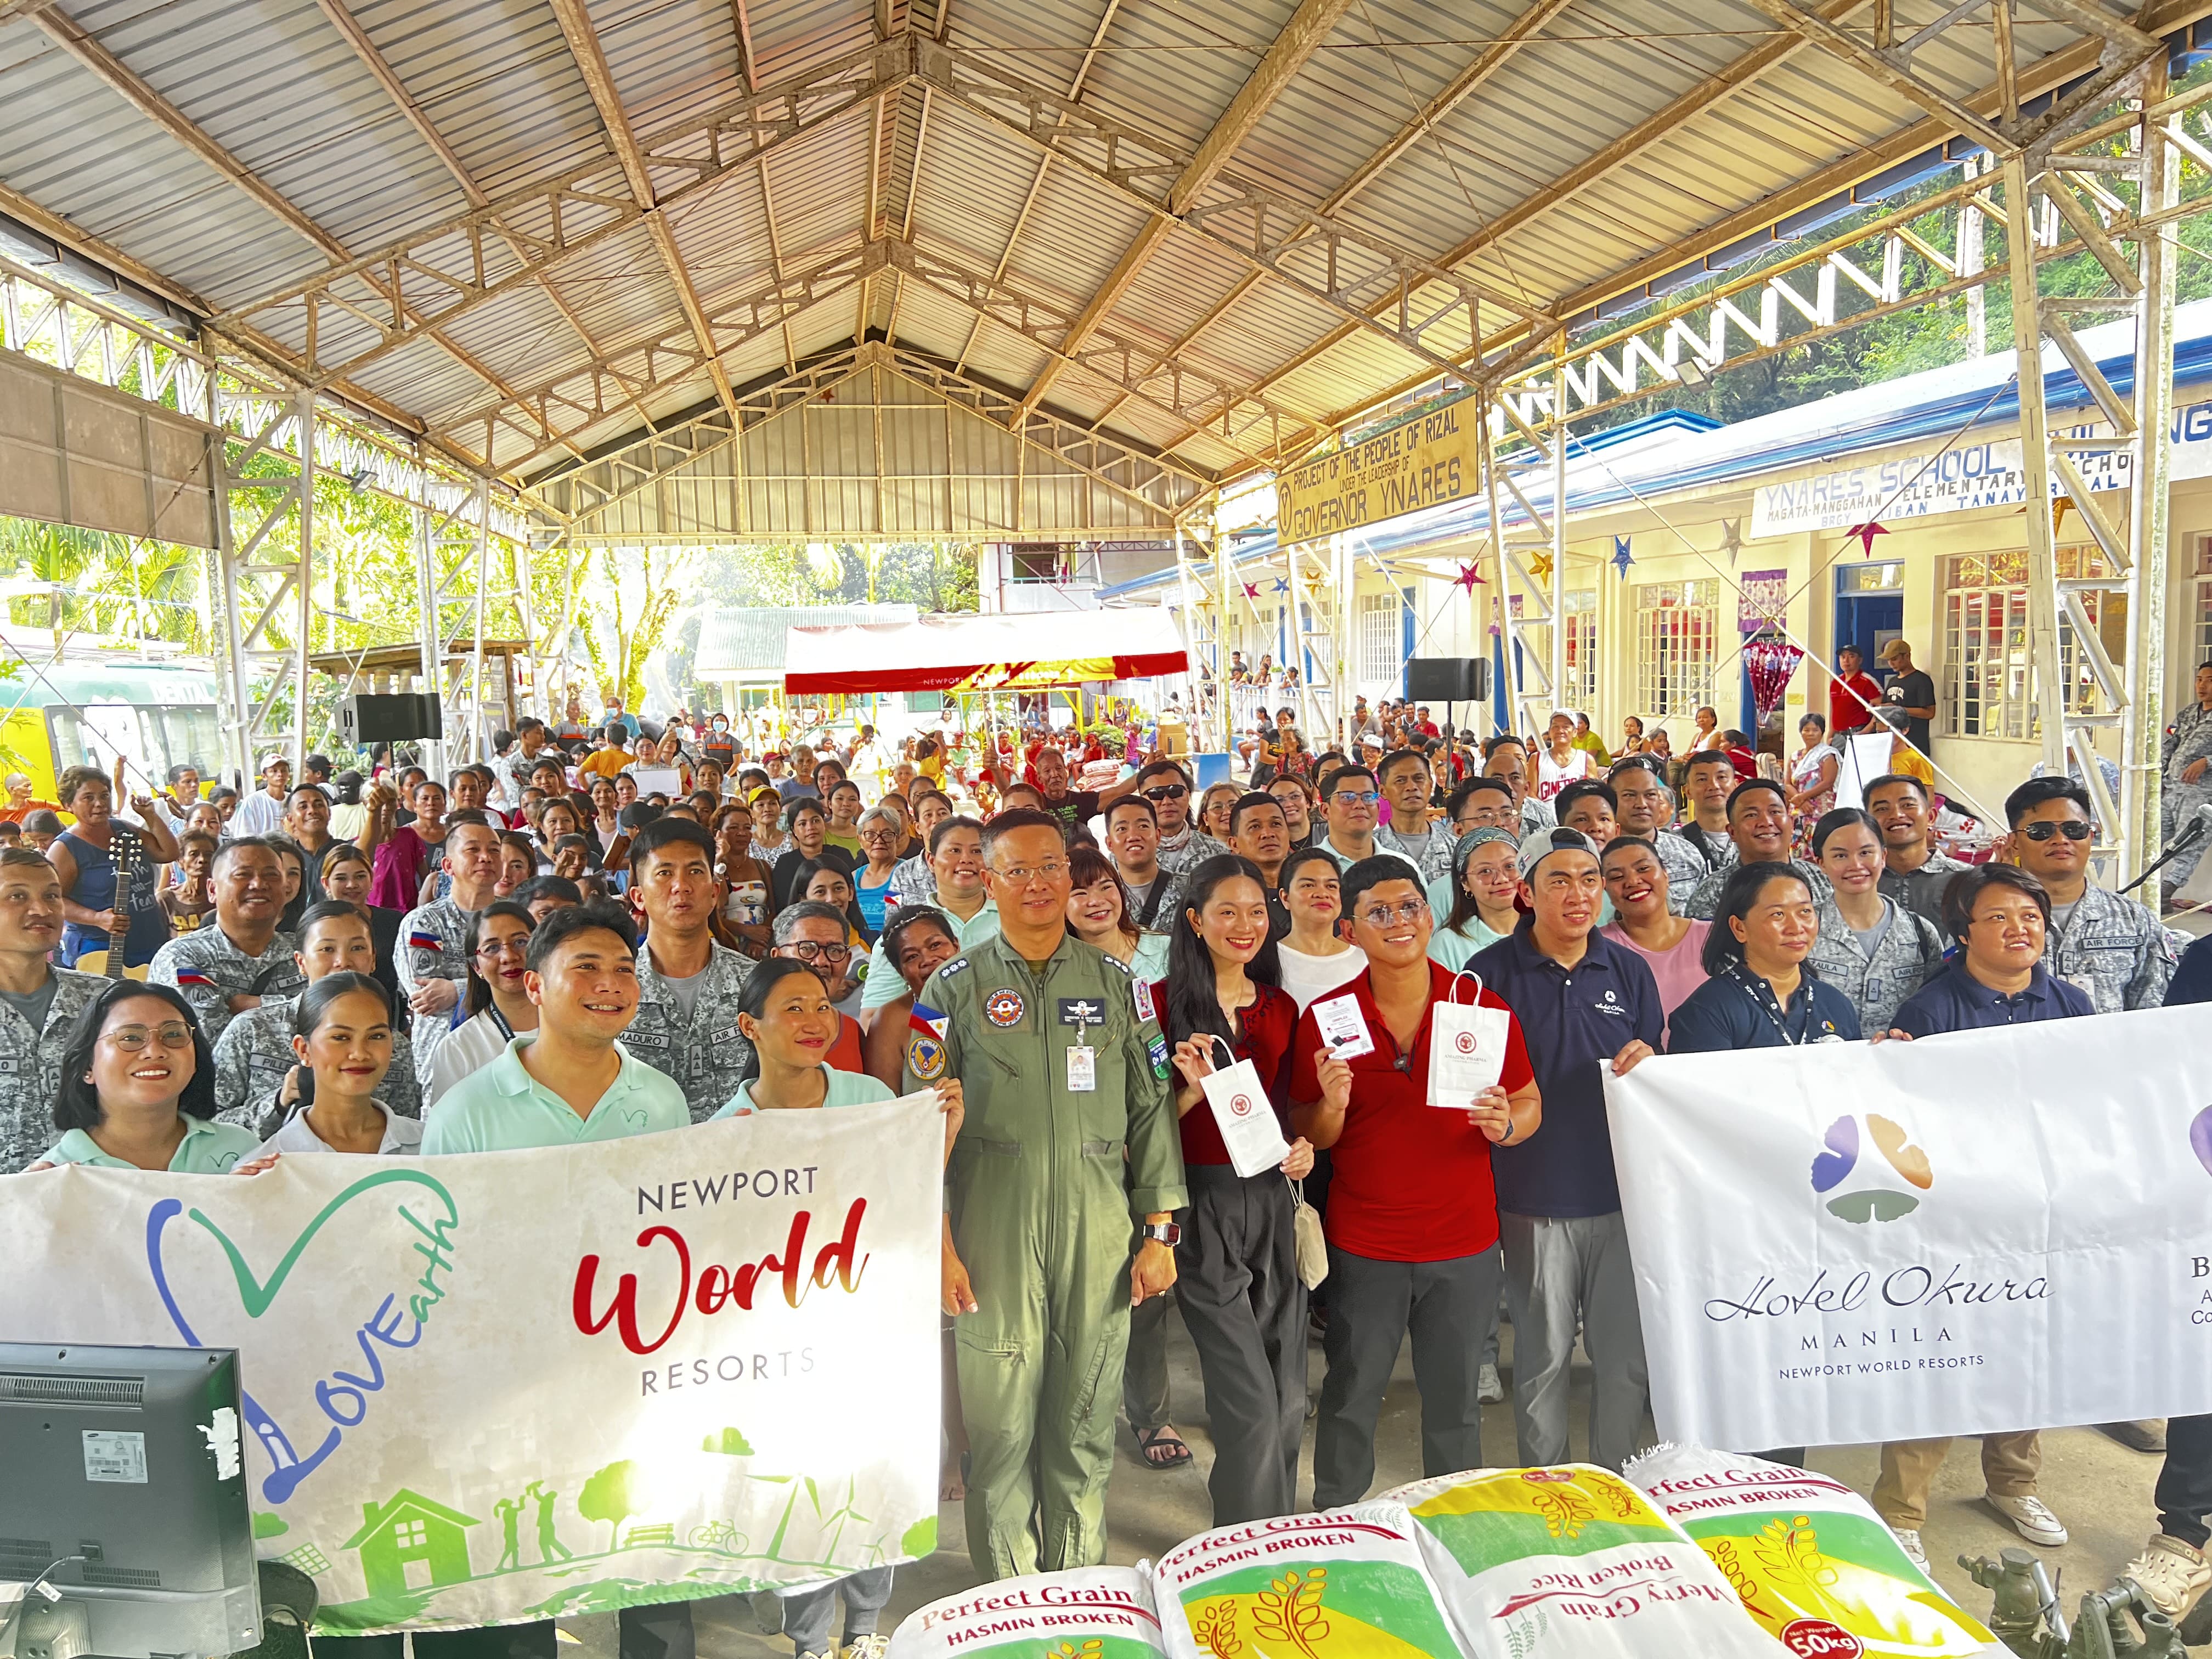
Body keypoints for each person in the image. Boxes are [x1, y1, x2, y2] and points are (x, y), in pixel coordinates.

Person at [905, 806, 1185, 1577]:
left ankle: (1078, 1587)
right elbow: (918, 1130)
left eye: (1051, 867)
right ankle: (1012, 1599)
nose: (1037, 883)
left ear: (1071, 873)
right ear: (987, 881)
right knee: (999, 1433)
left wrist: (1160, 1233)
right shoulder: (949, 991)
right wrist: (939, 1245)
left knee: (1085, 1425)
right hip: (991, 1228)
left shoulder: (1120, 986)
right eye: (1018, 870)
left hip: (1099, 1229)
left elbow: (1153, 1112)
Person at [1290, 856, 1539, 1504]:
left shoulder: (1477, 1006)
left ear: (1429, 917)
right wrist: (1332, 1105)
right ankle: (1338, 1518)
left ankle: (1453, 1521)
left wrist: (1506, 1125)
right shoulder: (1327, 1017)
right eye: (1379, 911)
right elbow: (1312, 1133)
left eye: (1410, 906)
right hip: (1365, 1246)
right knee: (1351, 1393)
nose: (1399, 921)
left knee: (1455, 1402)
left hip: (1463, 1245)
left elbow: (1528, 1101)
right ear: (1350, 930)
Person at [1874, 864, 2087, 1570]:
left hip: (2040, 1209)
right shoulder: (1931, 1011)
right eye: (1998, 917)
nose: (2018, 929)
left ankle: (2013, 1483)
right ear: (1964, 933)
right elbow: (1906, 1122)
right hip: (1956, 1217)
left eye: (2030, 917)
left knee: (2027, 1349)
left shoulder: (2072, 1005)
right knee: (1942, 1352)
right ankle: (1901, 1509)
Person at [1469, 826, 1661, 1472]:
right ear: (1526, 893)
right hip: (1533, 1196)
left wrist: (1652, 1061)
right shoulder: (1489, 974)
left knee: (1623, 1360)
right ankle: (1547, 1486)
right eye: (1559, 881)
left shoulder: (1628, 970)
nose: (1578, 894)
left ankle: (1619, 1483)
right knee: (1543, 1357)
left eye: (1589, 880)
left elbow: (1652, 1070)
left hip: (1620, 1196)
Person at [1162, 855, 1316, 1522]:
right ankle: (1246, 1544)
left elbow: (1290, 1110)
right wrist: (1190, 1093)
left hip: (1272, 1197)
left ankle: (1267, 1527)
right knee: (1249, 1399)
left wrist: (1303, 1148)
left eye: (1256, 911)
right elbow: (1137, 1131)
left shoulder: (1280, 1008)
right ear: (1196, 922)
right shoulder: (1159, 1005)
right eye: (1227, 912)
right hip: (1201, 1202)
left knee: (1287, 1395)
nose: (1245, 925)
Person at [210, 899, 420, 1127]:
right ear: (301, 962)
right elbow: (210, 1126)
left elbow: (404, 1130)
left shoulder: (394, 1047)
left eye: (357, 948)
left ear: (373, 960)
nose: (343, 962)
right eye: (327, 949)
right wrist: (278, 1104)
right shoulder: (252, 1030)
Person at [31, 982, 257, 1172]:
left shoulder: (241, 1150)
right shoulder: (54, 1175)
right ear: (87, 1067)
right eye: (130, 1037)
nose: (155, 1051)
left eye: (173, 1034)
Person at [620, 816, 759, 1120]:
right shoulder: (615, 991)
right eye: (664, 873)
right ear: (639, 897)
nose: (681, 886)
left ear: (715, 893)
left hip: (741, 1148)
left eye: (695, 871)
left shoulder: (755, 983)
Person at [2004, 776, 2174, 1013]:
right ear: (2014, 843)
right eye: (2041, 831)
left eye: (2074, 830)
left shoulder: (2133, 920)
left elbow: (2156, 1010)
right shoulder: (1988, 920)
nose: (2060, 840)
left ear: (2090, 838)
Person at [1668, 861, 1863, 1054]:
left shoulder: (1836, 1004)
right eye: (1778, 914)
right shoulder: (1706, 1011)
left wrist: (1879, 1051)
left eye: (1805, 912)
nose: (1796, 928)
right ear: (1739, 928)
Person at [0, 848, 105, 1171]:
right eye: (17, 896)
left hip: (98, 1187)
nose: (41, 910)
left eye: (52, 896)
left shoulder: (105, 1000)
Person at [243, 973, 421, 1156]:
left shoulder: (429, 1147)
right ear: (304, 1050)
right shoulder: (270, 1164)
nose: (360, 1054)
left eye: (376, 1036)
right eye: (340, 1037)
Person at [148, 838, 303, 1045]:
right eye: (243, 875)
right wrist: (299, 1007)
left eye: (271, 875)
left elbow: (337, 1015)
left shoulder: (309, 950)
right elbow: (213, 1040)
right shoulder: (182, 957)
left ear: (285, 889)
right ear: (213, 890)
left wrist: (256, 1004)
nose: (259, 884)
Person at [1806, 808, 1944, 1036]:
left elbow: (1934, 1008)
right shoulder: (1804, 930)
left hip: (1899, 1056)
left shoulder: (1920, 933)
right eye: (1840, 856)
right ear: (1821, 863)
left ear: (1883, 856)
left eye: (1866, 853)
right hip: (1826, 1057)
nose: (1856, 865)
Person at [393, 814, 505, 1082]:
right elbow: (428, 997)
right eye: (473, 850)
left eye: (494, 851)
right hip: (443, 1056)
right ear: (448, 865)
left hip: (506, 1054)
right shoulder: (425, 921)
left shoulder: (515, 919)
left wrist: (457, 989)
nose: (486, 857)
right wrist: (499, 983)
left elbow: (530, 982)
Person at [859, 816, 997, 1021]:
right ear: (931, 861)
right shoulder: (905, 930)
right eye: (955, 850)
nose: (966, 859)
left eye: (977, 851)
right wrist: (938, 1021)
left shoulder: (1014, 920)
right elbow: (872, 1018)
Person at [50, 764, 179, 973]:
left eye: (105, 795)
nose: (100, 803)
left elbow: (168, 853)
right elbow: (52, 900)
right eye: (88, 798)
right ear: (68, 805)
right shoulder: (65, 849)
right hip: (100, 947)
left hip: (150, 937)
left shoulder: (124, 830)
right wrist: (96, 918)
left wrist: (150, 816)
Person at [425, 900, 538, 1108]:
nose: (509, 957)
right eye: (492, 948)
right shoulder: (459, 1047)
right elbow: (449, 1124)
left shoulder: (574, 1026)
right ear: (476, 967)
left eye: (521, 942)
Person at [1598, 837, 1708, 1045]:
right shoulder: (1596, 948)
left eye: (1643, 869)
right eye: (1617, 877)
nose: (1633, 881)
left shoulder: (1712, 937)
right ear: (1606, 890)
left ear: (1666, 874)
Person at [1682, 778, 1833, 920]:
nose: (1766, 822)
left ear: (1791, 823)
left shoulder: (1823, 880)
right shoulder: (1712, 893)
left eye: (1775, 812)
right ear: (1732, 832)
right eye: (1751, 815)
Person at [860, 907, 961, 1088]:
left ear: (956, 946)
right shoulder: (891, 1020)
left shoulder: (992, 996)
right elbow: (884, 1099)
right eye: (912, 956)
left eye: (935, 945)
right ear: (901, 972)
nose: (928, 960)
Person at [1866, 772, 1969, 930]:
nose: (1896, 815)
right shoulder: (1856, 880)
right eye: (1882, 809)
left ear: (1931, 817)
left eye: (1908, 805)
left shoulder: (1965, 880)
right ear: (1868, 823)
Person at [771, 901, 870, 1058]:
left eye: (834, 950)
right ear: (778, 957)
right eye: (807, 948)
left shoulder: (853, 1032)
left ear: (847, 960)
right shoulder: (758, 1027)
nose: (821, 961)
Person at [1274, 846, 1367, 1012]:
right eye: (1308, 885)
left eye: (1331, 886)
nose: (1322, 894)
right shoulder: (1269, 960)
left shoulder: (1365, 961)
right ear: (1285, 898)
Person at [1608, 755, 1708, 906]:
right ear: (1610, 801)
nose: (1642, 804)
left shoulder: (1686, 852)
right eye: (1629, 795)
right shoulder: (1598, 857)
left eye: (1650, 795)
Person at [1066, 843, 1171, 982]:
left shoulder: (1166, 952)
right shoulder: (1057, 972)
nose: (1096, 901)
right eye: (1080, 893)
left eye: (1106, 887)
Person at [1429, 827, 1521, 971]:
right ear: (1465, 883)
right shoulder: (1447, 945)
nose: (1502, 879)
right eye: (1485, 871)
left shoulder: (1546, 929)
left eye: (1510, 866)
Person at [363, 776, 447, 911]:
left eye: (390, 801)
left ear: (397, 803)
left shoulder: (409, 836)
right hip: (373, 912)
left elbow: (425, 878)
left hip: (409, 911)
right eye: (378, 801)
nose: (385, 807)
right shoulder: (361, 845)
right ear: (365, 803)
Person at [1372, 748, 1454, 882]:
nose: (1411, 787)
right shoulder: (1370, 848)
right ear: (1382, 791)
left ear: (1431, 785)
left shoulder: (1454, 849)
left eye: (1419, 779)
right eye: (1400, 781)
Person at [1102, 795, 1179, 930]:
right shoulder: (1101, 899)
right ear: (1110, 844)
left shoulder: (1189, 890)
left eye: (1143, 826)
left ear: (1157, 836)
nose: (1133, 836)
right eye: (1122, 829)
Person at [1224, 791, 1295, 939]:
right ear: (1234, 844)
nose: (1268, 834)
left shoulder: (1309, 888)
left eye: (1276, 824)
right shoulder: (1226, 898)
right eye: (1255, 827)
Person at [771, 799, 852, 910]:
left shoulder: (842, 855)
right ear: (794, 830)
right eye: (803, 824)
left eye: (816, 821)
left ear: (824, 823)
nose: (810, 828)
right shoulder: (785, 863)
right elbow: (783, 905)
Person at [1786, 714, 1841, 856]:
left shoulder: (1827, 755)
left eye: (1815, 730)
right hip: (1799, 810)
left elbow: (1827, 782)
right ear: (1801, 732)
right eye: (1806, 730)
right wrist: (1801, 801)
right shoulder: (1795, 756)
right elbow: (1788, 784)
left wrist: (1803, 797)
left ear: (1822, 732)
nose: (1810, 734)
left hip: (1820, 810)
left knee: (1819, 850)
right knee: (1797, 852)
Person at [850, 806, 905, 938]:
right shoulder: (853, 878)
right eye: (870, 834)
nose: (879, 840)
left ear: (897, 839)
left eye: (887, 834)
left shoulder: (906, 874)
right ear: (860, 840)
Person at [1482, 735, 1554, 834]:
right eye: (1503, 757)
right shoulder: (1471, 814)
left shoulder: (1542, 811)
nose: (1511, 763)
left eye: (1519, 759)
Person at [1880, 638, 1937, 755]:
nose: (1891, 663)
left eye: (1894, 659)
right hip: (1892, 744)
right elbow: (1886, 708)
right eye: (1889, 660)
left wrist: (1899, 709)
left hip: (1914, 745)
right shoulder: (1892, 681)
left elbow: (1930, 713)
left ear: (1907, 656)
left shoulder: (1921, 680)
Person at [231, 753, 292, 838]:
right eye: (274, 771)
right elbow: (244, 834)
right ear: (264, 776)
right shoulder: (253, 801)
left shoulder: (293, 800)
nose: (280, 774)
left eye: (284, 770)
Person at [1830, 644, 1883, 739]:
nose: (1846, 660)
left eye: (1851, 656)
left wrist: (1865, 731)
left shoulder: (1867, 681)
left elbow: (1881, 709)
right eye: (1843, 657)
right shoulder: (1836, 682)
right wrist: (1830, 735)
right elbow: (1835, 710)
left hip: (1858, 732)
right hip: (1838, 735)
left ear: (1860, 660)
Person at [1268, 775, 1319, 850]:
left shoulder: (1330, 832)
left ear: (1307, 802)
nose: (1289, 804)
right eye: (1279, 800)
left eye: (1295, 796)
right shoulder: (1270, 845)